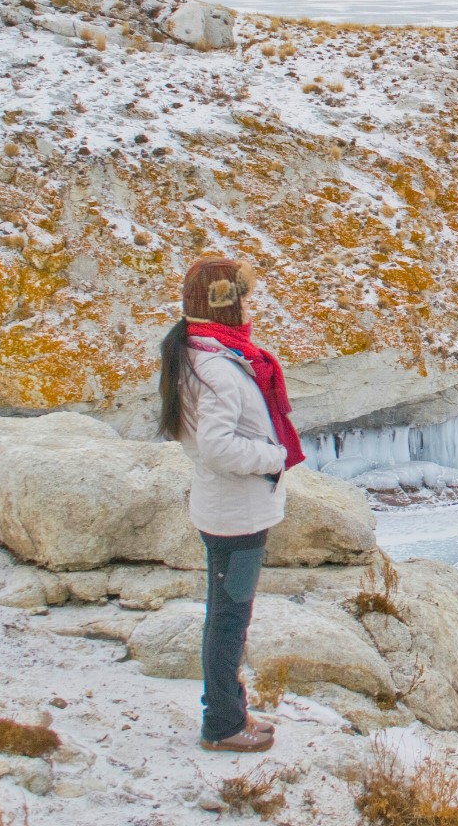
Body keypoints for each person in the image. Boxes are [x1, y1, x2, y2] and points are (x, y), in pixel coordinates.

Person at [157, 257, 307, 753]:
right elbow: (218, 448)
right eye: (241, 299)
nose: (248, 309)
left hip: (223, 509)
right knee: (228, 619)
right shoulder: (218, 368)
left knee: (225, 613)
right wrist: (274, 457)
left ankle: (229, 709)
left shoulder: (194, 353)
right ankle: (222, 724)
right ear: (226, 305)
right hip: (237, 517)